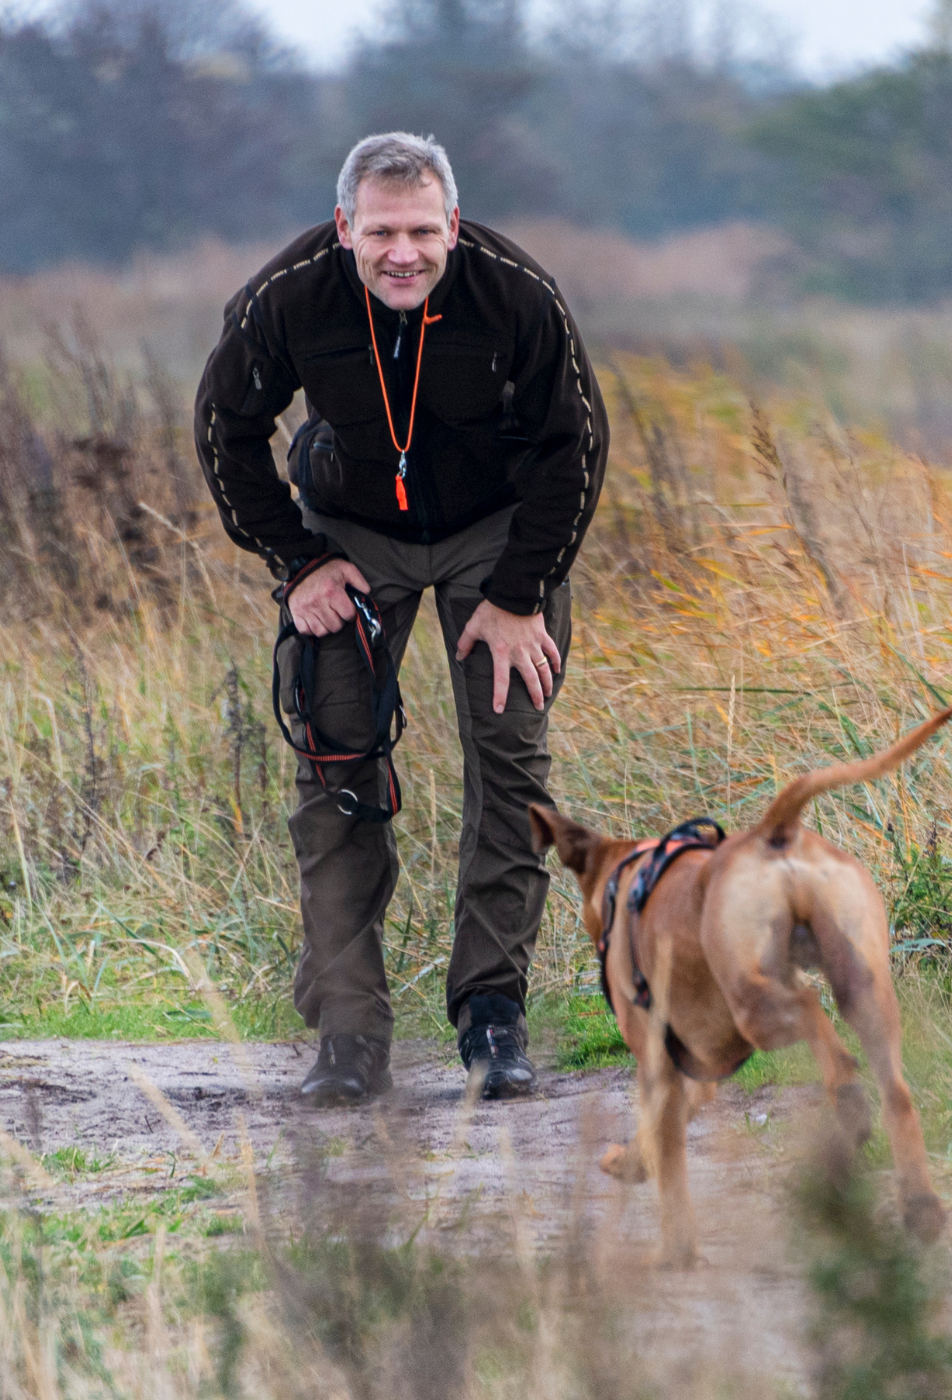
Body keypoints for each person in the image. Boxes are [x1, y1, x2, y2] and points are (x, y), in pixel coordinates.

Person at [194, 131, 606, 1105]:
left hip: (497, 532)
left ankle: (492, 1012)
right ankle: (348, 1029)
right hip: (351, 530)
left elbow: (573, 447)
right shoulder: (286, 295)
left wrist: (516, 598)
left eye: (423, 230)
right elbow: (225, 429)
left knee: (508, 761)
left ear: (451, 226)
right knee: (337, 762)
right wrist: (297, 561)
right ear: (346, 229)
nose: (402, 253)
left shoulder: (516, 292)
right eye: (381, 232)